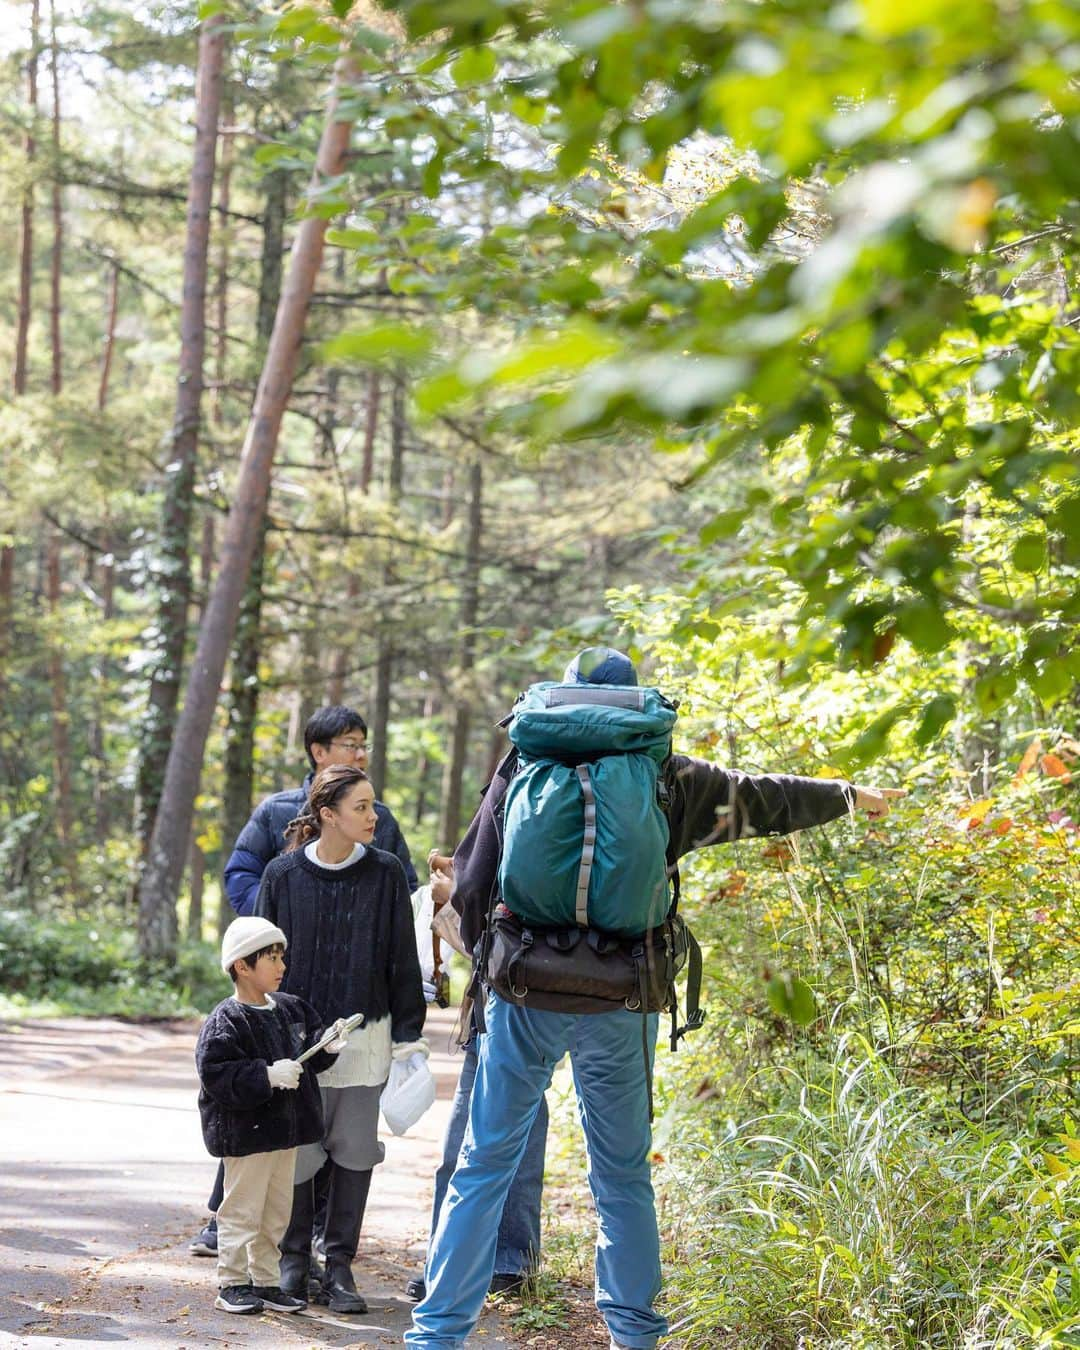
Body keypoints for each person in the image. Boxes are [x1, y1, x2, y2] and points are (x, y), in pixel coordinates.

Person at [406, 647, 905, 1350]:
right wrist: (848, 795)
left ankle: (436, 1336)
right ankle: (636, 1337)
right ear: (634, 703)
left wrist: (486, 978)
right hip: (623, 995)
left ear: (569, 700)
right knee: (620, 1176)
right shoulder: (667, 775)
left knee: (485, 1164)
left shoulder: (525, 760)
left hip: (524, 991)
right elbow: (763, 798)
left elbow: (471, 884)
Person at [191, 704, 418, 1259]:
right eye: (349, 744)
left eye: (364, 744)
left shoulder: (378, 821)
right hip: (288, 992)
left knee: (338, 1135)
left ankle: (316, 1250)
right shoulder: (277, 813)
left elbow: (401, 897)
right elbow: (242, 872)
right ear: (318, 752)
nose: (360, 753)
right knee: (271, 1117)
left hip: (354, 1005)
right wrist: (268, 936)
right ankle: (233, 1227)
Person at [256, 762, 427, 1313]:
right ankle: (293, 1263)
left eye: (373, 804)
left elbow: (402, 961)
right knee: (299, 1154)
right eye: (361, 807)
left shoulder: (386, 874)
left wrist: (409, 1041)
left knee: (354, 1152)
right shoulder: (281, 876)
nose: (373, 816)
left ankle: (341, 1269)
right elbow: (262, 965)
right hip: (298, 1045)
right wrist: (265, 1036)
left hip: (366, 1039)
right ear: (327, 815)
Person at [404, 854, 547, 1305]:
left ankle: (508, 1264)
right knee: (462, 1149)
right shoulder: (502, 823)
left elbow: (499, 934)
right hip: (492, 1012)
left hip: (528, 1012)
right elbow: (482, 940)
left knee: (510, 1148)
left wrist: (455, 900)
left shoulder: (543, 847)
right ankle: (450, 1263)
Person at [195, 915, 349, 1315]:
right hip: (247, 1138)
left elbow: (308, 1058)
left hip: (285, 1135)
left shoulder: (291, 1009)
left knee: (276, 1212)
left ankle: (265, 1280)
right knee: (242, 1209)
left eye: (282, 957)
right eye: (271, 958)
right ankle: (232, 1281)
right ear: (242, 966)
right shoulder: (226, 1021)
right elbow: (216, 1073)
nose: (282, 967)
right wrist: (265, 1075)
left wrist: (327, 1046)